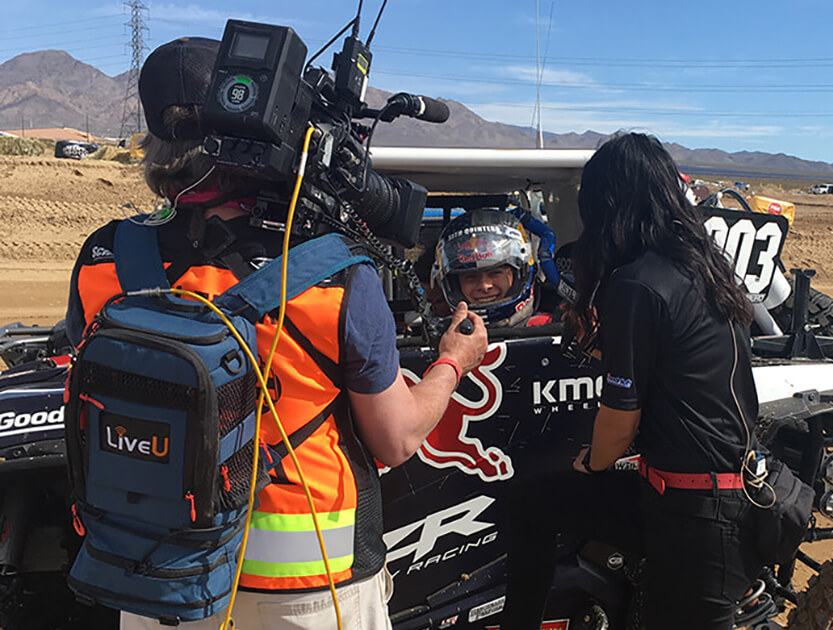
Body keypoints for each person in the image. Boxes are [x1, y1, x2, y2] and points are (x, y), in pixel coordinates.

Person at [65, 36, 488, 630]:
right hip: (309, 587)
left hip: (156, 578)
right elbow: (394, 440)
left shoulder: (103, 258)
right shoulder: (334, 273)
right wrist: (451, 363)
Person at [501, 133, 765, 629]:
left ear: (607, 205)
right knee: (535, 502)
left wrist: (594, 462)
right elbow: (674, 364)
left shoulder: (637, 282)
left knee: (535, 500)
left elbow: (620, 422)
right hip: (717, 493)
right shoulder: (703, 267)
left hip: (695, 512)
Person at [432, 208, 549, 327]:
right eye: (470, 277)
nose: (484, 286)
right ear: (454, 284)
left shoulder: (550, 326)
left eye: (495, 273)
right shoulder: (437, 334)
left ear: (519, 274)